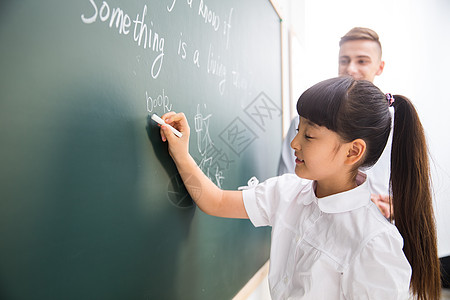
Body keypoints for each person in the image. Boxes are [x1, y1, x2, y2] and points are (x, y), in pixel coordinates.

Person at [157, 77, 441, 299]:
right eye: (298, 130)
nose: (295, 143)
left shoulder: (373, 243)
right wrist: (181, 153)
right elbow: (214, 201)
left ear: (353, 152)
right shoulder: (288, 192)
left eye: (309, 134)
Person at [278, 27, 392, 218]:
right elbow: (287, 185)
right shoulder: (305, 122)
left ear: (379, 67)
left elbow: (411, 190)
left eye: (362, 61)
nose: (350, 68)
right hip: (320, 226)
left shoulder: (398, 127)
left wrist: (397, 208)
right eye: (344, 60)